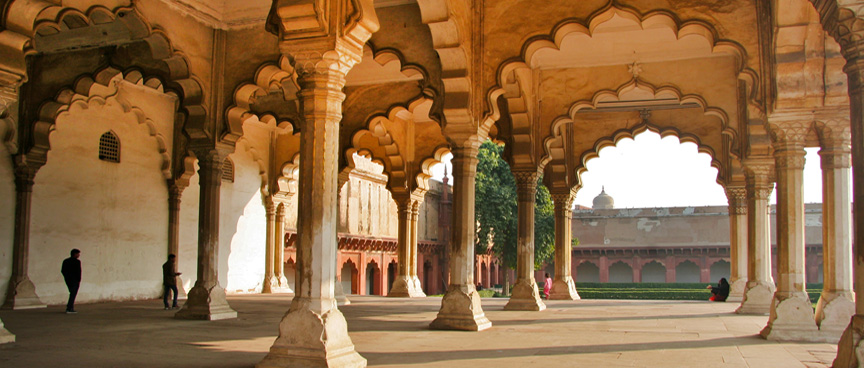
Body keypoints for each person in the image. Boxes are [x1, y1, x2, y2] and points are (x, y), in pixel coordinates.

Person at [61, 249, 81, 314]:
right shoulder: (77, 262)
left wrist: (67, 277)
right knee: (73, 294)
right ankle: (69, 308)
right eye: (78, 254)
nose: (79, 255)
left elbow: (63, 270)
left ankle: (69, 307)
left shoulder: (66, 261)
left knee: (72, 293)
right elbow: (78, 271)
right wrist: (78, 279)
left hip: (68, 280)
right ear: (75, 254)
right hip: (74, 280)